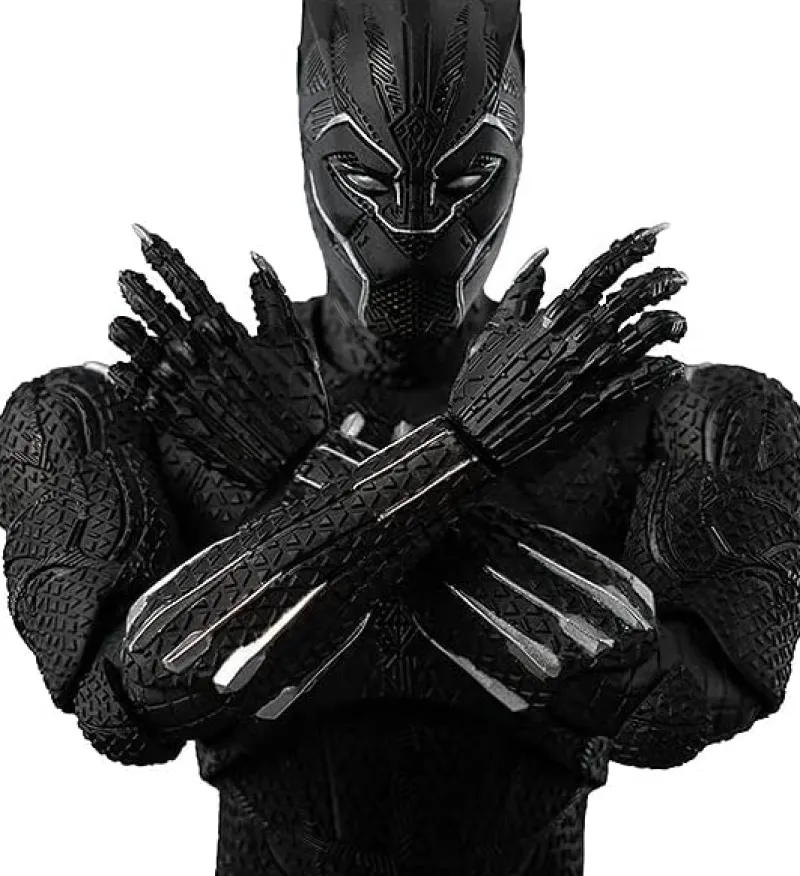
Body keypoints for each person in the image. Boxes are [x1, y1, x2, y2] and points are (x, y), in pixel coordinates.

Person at [2, 2, 798, 874]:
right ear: (306, 142)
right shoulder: (140, 407)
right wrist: (469, 450)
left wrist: (299, 478)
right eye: (366, 179)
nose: (415, 226)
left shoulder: (682, 414)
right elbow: (134, 705)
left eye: (465, 180)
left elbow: (659, 709)